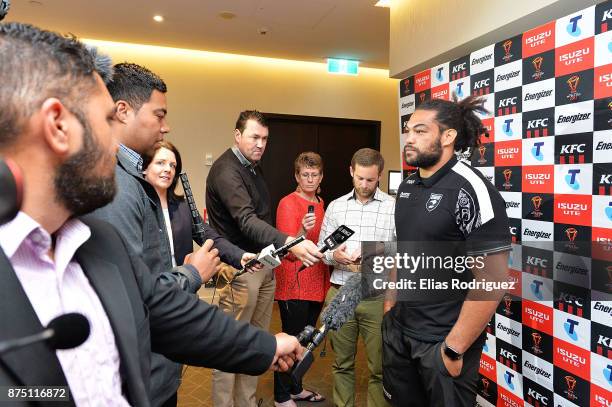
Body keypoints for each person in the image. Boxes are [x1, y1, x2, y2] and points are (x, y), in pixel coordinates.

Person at [0, 22, 302, 407]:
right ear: (57, 126)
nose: (118, 141)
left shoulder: (97, 241)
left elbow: (163, 312)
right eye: (107, 120)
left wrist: (264, 346)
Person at [91, 62, 260, 407]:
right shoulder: (119, 187)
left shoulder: (170, 200)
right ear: (123, 111)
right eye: (159, 114)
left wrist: (237, 256)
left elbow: (205, 233)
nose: (166, 126)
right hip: (138, 367)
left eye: (173, 165)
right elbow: (137, 295)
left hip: (161, 345)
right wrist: (193, 272)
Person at [384, 96, 511, 406]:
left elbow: (492, 279)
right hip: (399, 334)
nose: (409, 139)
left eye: (421, 131)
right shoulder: (408, 186)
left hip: (442, 343)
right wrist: (389, 308)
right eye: (408, 130)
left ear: (448, 136)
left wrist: (454, 348)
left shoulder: (472, 190)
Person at [206, 110, 323, 407]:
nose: (260, 144)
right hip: (238, 269)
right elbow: (246, 221)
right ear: (237, 135)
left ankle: (246, 402)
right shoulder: (227, 170)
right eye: (254, 137)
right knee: (230, 346)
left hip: (263, 266)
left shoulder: (251, 166)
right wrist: (290, 241)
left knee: (257, 345)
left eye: (265, 138)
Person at [318, 148, 395, 407]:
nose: (364, 185)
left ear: (380, 176)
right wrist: (333, 256)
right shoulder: (336, 207)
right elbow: (322, 248)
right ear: (351, 171)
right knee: (342, 364)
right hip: (340, 292)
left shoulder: (393, 207)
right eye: (360, 178)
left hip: (376, 295)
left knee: (379, 368)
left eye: (370, 180)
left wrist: (374, 250)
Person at [274, 152, 329, 406]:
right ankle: (281, 396)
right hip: (293, 283)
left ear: (321, 177)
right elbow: (286, 252)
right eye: (305, 174)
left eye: (314, 174)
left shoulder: (321, 202)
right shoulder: (287, 203)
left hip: (317, 280)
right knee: (290, 342)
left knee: (305, 342)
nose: (310, 179)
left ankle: (295, 388)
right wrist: (302, 232)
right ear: (296, 176)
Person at [142, 140, 248, 269]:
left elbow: (209, 237)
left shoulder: (182, 207)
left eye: (172, 165)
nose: (168, 169)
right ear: (144, 168)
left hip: (185, 284)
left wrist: (240, 256)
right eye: (160, 163)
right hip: (151, 286)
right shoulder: (137, 205)